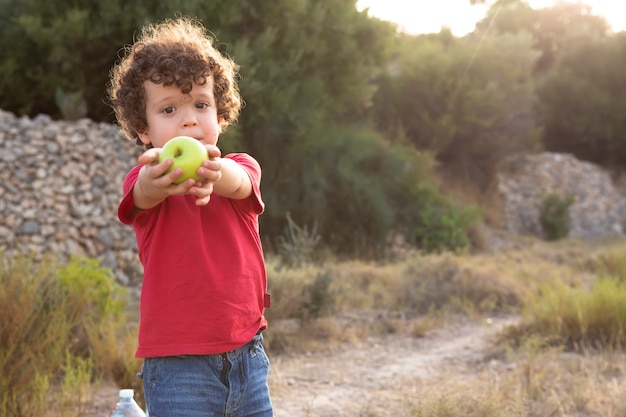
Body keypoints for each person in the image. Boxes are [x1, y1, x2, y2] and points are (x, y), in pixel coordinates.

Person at [107, 16, 273, 417]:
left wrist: (216, 176)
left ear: (221, 114)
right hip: (178, 367)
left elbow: (240, 184)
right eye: (169, 109)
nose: (189, 119)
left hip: (247, 356)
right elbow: (142, 193)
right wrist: (159, 180)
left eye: (202, 104)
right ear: (142, 129)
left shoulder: (238, 168)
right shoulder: (147, 178)